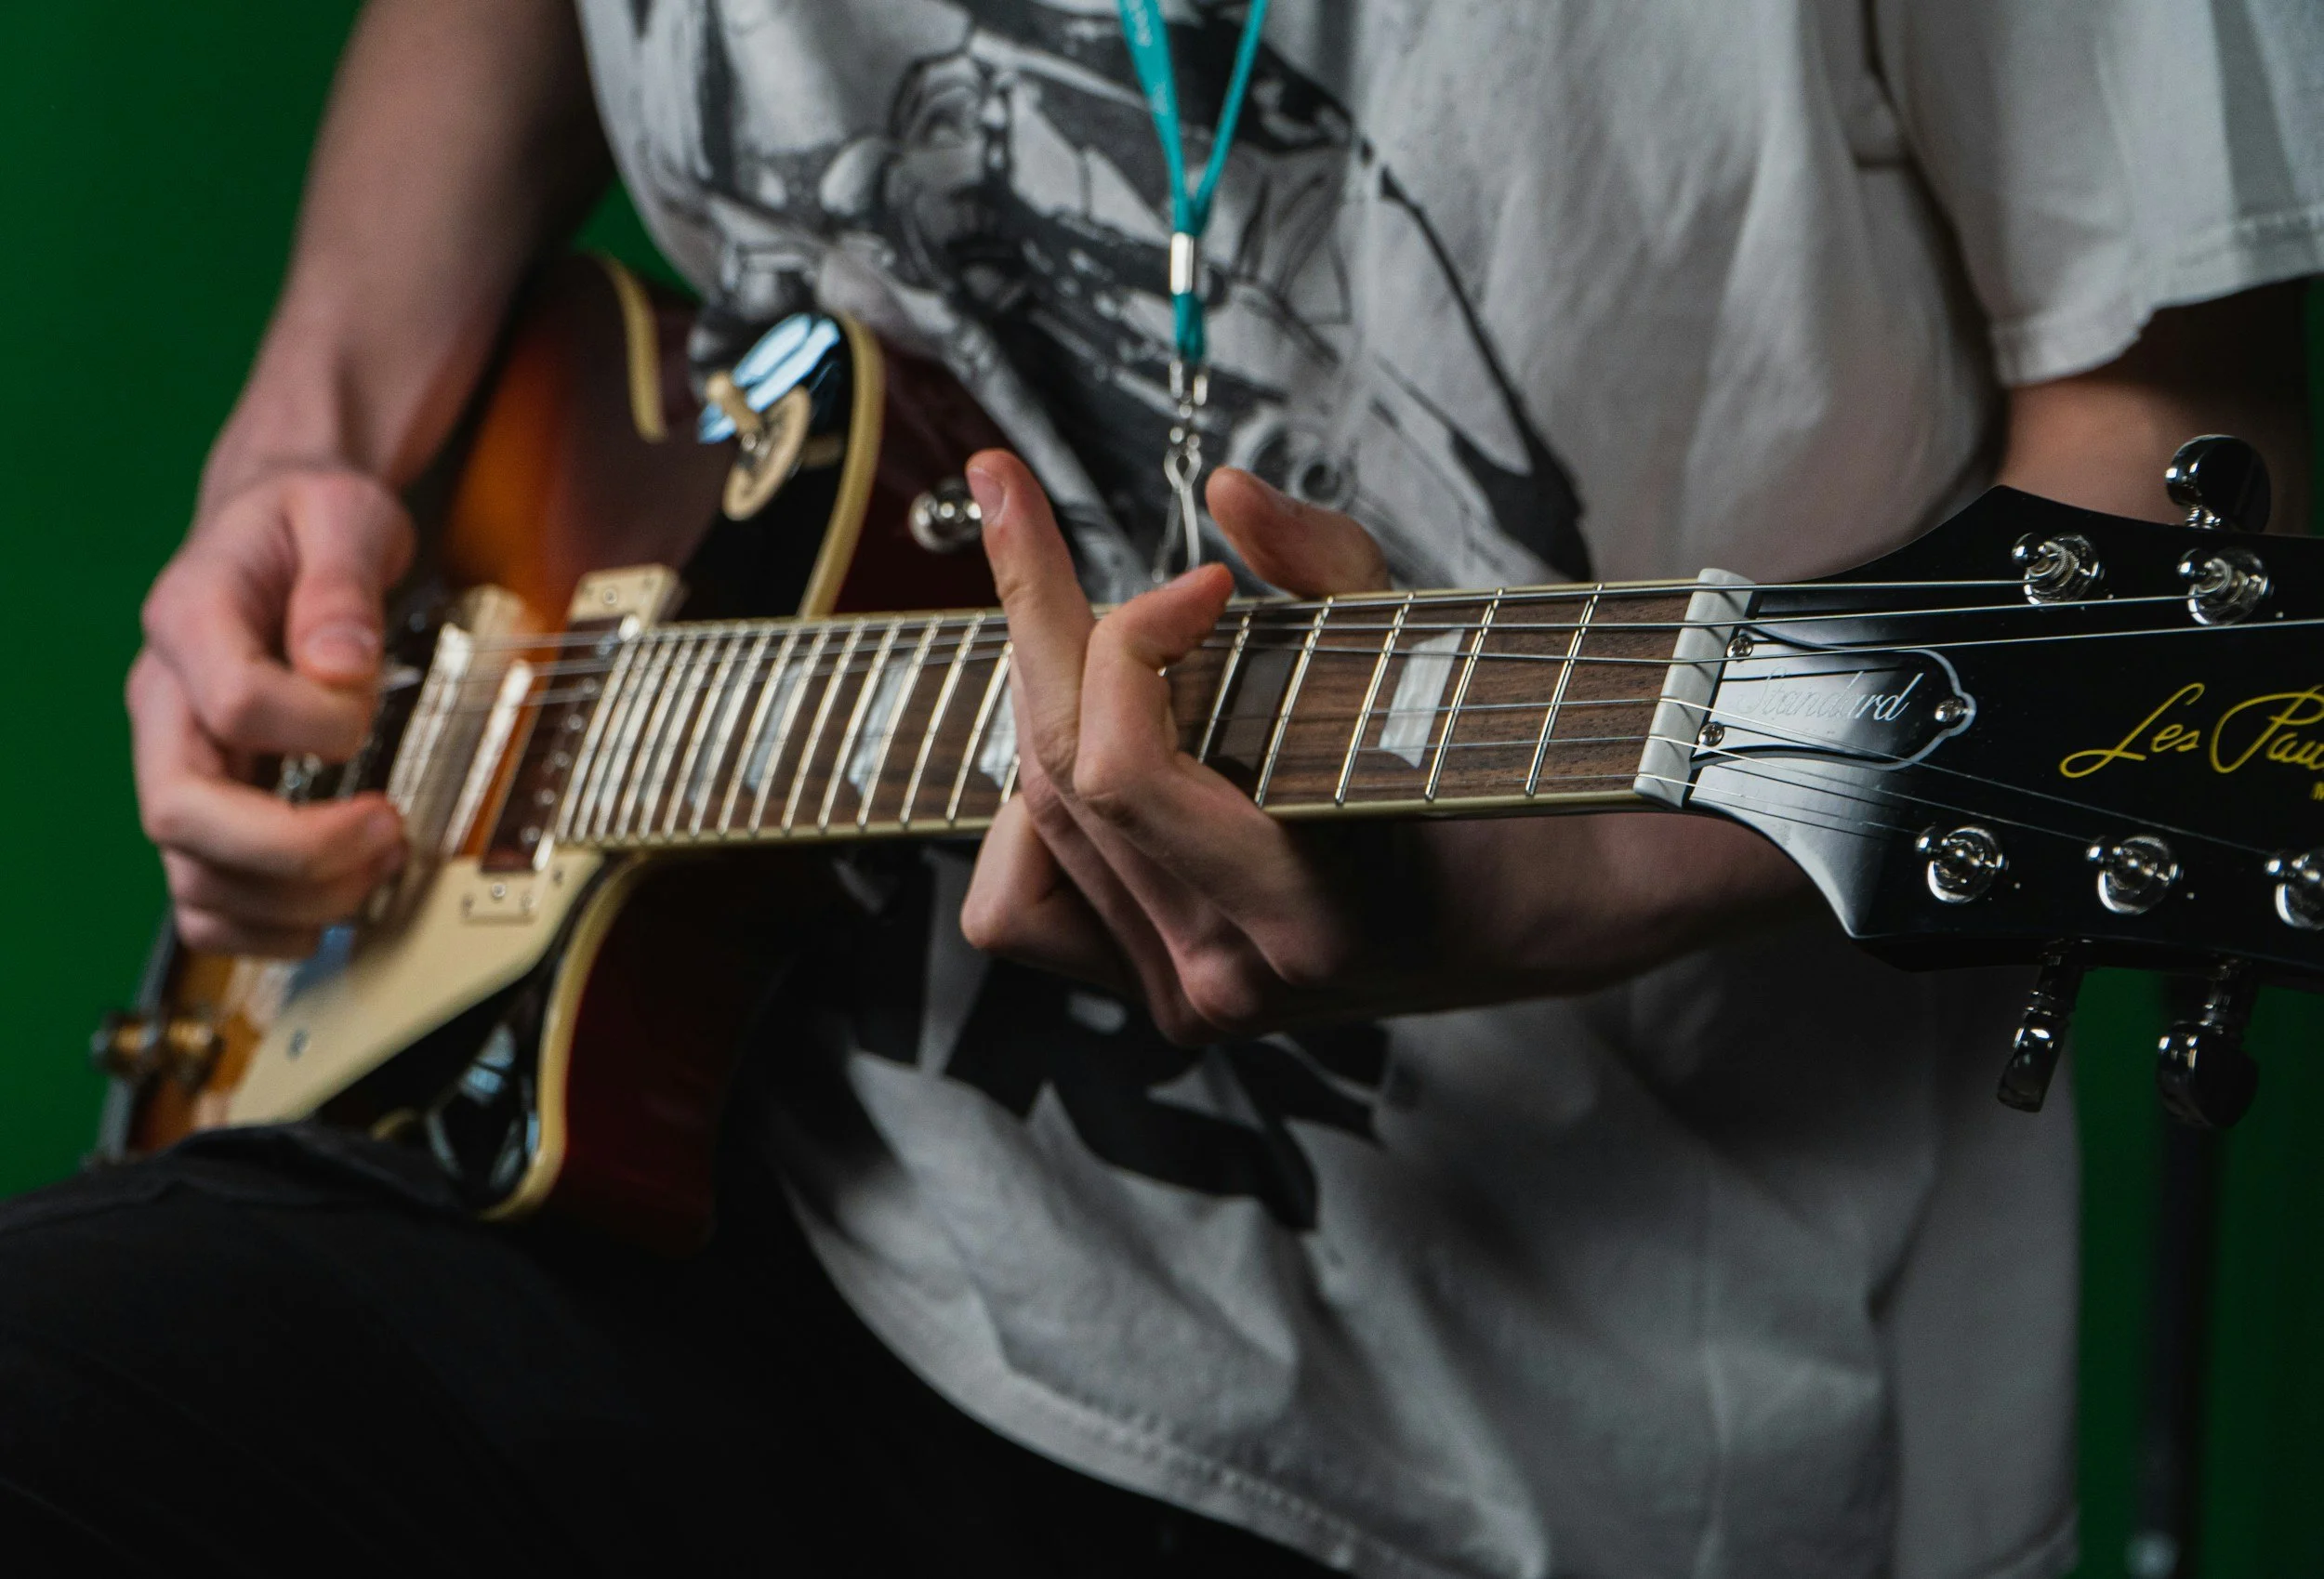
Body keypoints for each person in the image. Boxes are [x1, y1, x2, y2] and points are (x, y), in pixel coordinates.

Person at [4, 1, 2317, 1573]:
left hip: (1492, 1431)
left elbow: (2179, 569)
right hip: (666, 1166)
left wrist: (1504, 902)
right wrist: (313, 431)